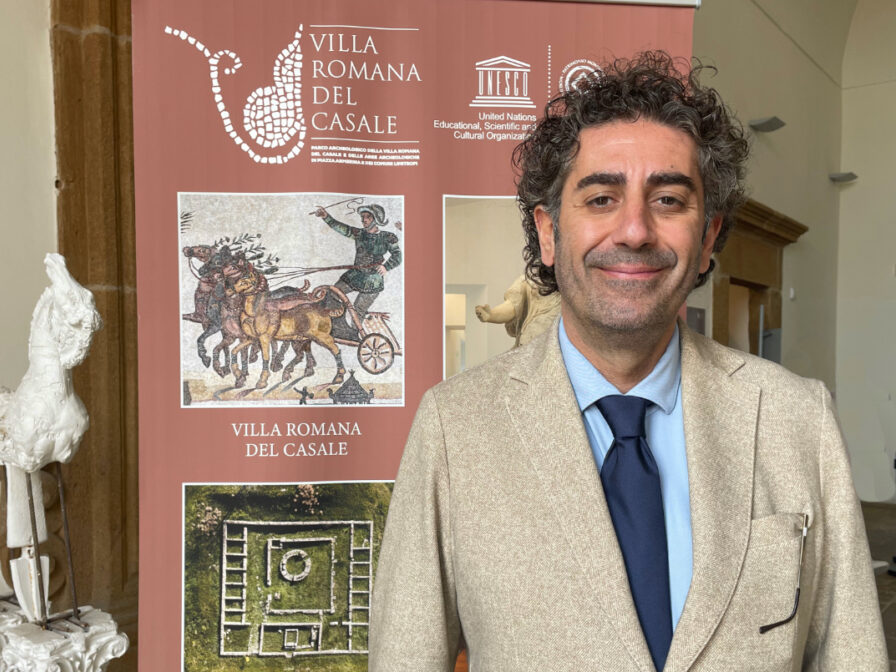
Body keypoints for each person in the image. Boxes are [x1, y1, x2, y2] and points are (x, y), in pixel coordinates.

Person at [369, 52, 886, 671]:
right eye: (601, 198)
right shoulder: (455, 428)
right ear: (549, 233)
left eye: (668, 199)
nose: (635, 230)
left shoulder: (799, 419)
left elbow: (852, 654)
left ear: (707, 238)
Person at [314, 203, 401, 340]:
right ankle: (337, 327)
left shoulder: (387, 237)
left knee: (359, 308)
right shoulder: (359, 234)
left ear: (376, 220)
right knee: (334, 293)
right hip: (355, 275)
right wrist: (326, 216)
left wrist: (386, 267)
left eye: (368, 217)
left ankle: (353, 334)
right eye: (363, 217)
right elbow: (342, 228)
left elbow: (397, 256)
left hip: (373, 280)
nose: (364, 220)